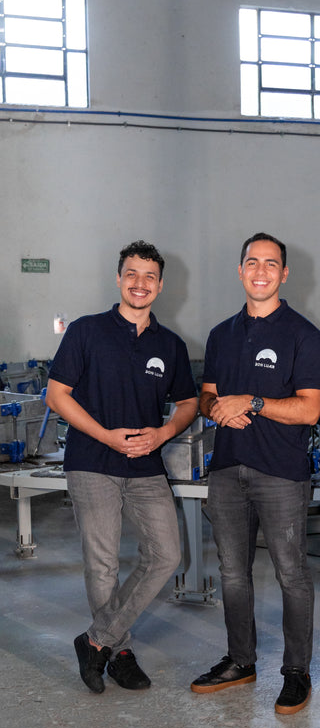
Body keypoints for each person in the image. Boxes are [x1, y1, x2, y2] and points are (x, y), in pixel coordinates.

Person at [46, 240, 198, 694]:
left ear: (161, 285)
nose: (140, 283)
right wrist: (106, 435)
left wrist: (164, 433)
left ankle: (97, 640)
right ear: (118, 278)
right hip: (92, 461)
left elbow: (188, 402)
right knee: (102, 565)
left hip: (146, 466)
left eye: (149, 276)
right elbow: (56, 395)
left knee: (167, 555)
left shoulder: (170, 345)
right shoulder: (87, 331)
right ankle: (120, 652)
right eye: (131, 273)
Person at [191, 232, 320, 714]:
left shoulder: (303, 335)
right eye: (252, 262)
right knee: (232, 573)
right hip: (227, 470)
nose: (261, 271)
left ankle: (296, 671)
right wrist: (217, 409)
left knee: (292, 574)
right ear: (241, 270)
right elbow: (207, 397)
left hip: (281, 473)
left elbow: (309, 409)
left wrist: (250, 402)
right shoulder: (221, 334)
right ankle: (240, 660)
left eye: (271, 263)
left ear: (284, 274)